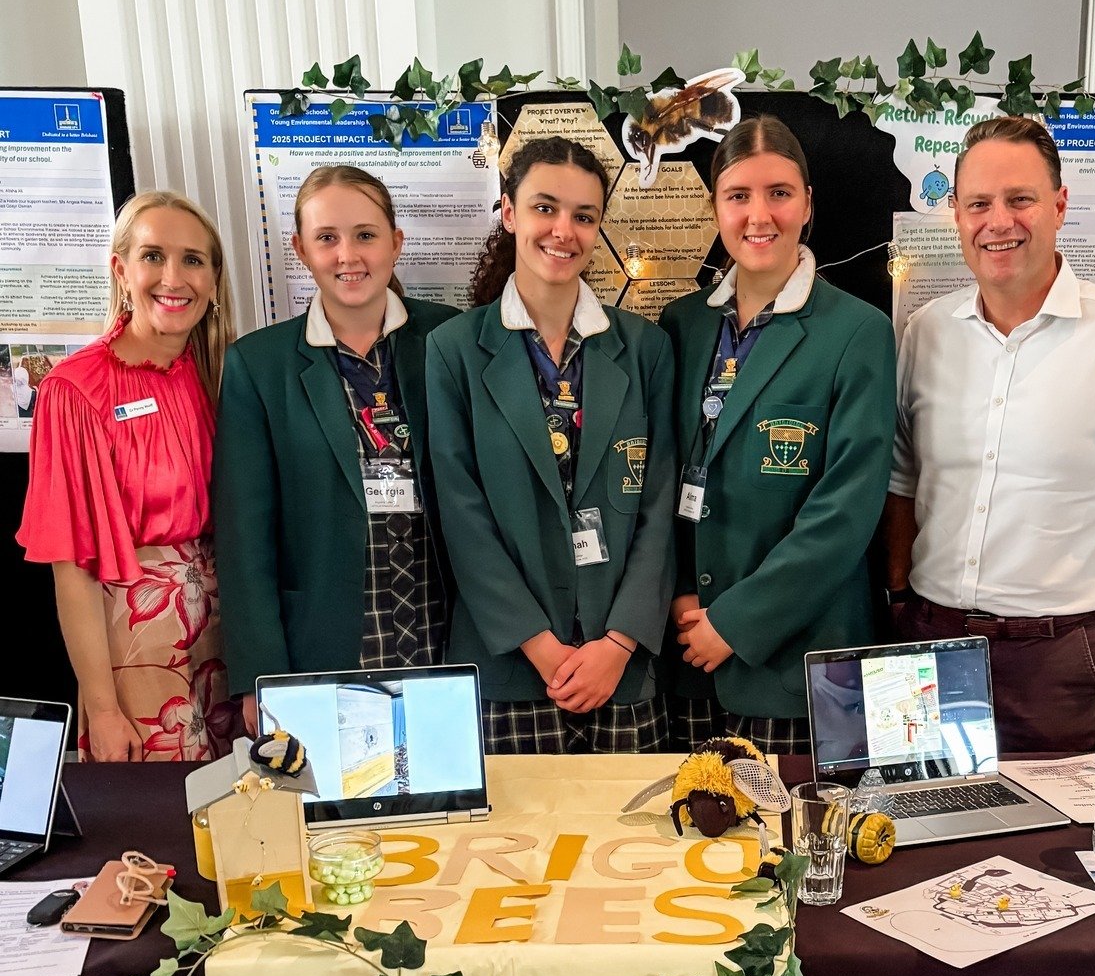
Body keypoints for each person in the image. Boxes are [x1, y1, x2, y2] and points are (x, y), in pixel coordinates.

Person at [884, 115, 1095, 753]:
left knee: (1057, 845)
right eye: (978, 203)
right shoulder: (924, 333)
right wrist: (895, 599)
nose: (998, 222)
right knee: (920, 836)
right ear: (956, 215)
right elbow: (902, 480)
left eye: (1020, 200)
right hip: (928, 645)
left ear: (1059, 205)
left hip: (1063, 659)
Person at [425, 136, 677, 753]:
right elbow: (461, 515)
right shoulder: (454, 350)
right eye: (545, 208)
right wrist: (538, 644)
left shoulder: (645, 349)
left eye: (584, 216)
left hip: (618, 667)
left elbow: (661, 507)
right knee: (511, 848)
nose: (563, 230)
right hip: (509, 663)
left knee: (631, 846)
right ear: (509, 213)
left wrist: (617, 644)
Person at [660, 115, 896, 753]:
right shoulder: (680, 325)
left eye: (779, 193)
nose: (758, 215)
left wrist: (734, 623)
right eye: (738, 196)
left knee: (796, 848)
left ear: (808, 203)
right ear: (715, 208)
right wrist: (682, 593)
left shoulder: (857, 332)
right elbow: (658, 474)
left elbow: (845, 510)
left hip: (798, 660)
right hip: (686, 655)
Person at [214, 165, 459, 732]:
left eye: (366, 235)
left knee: (451, 808)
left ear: (396, 243)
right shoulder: (260, 364)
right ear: (301, 249)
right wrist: (260, 676)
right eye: (327, 238)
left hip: (442, 625)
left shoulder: (450, 338)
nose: (348, 254)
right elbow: (245, 536)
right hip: (326, 637)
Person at [16, 190, 241, 761]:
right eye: (153, 256)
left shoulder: (224, 374)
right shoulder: (75, 390)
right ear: (121, 269)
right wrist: (103, 706)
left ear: (214, 279)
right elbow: (72, 569)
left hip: (232, 629)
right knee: (162, 824)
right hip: (140, 640)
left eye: (193, 259)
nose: (174, 276)